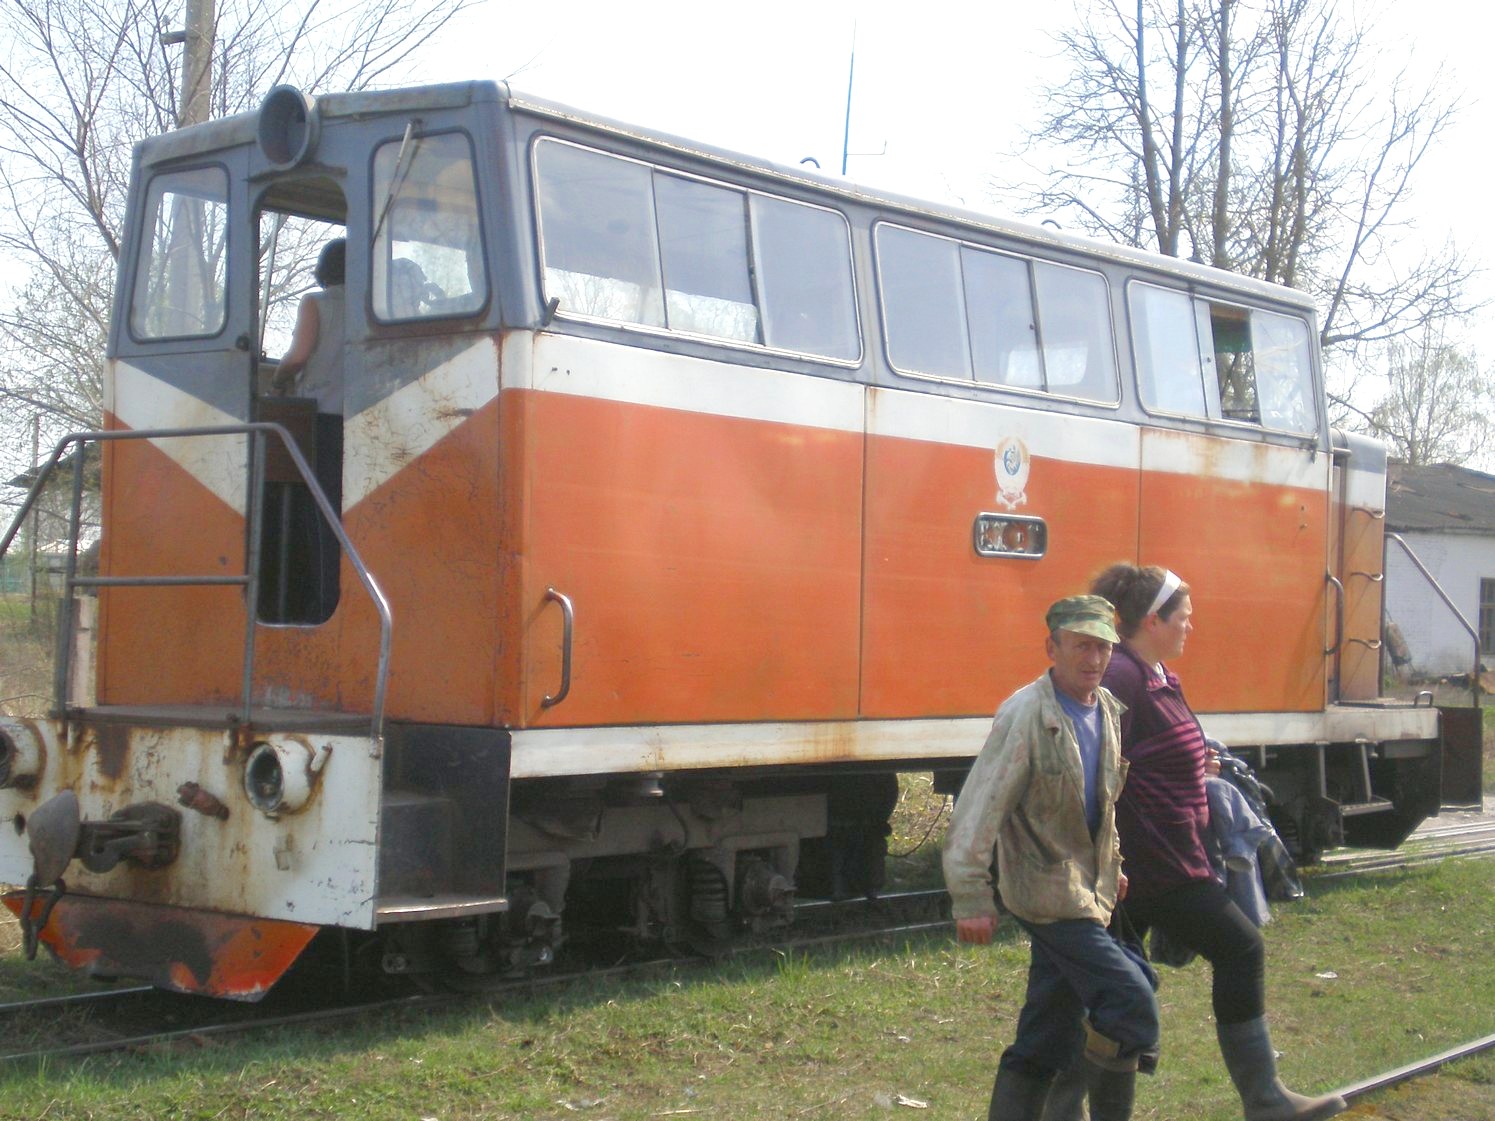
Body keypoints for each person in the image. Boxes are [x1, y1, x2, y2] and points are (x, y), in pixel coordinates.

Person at [1087, 563, 1345, 1121]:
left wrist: (1192, 764)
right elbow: (1093, 764)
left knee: (1111, 992)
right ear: (1152, 620)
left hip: (1172, 855)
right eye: (1183, 617)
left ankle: (1072, 1109)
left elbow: (1154, 751)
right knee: (1238, 948)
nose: (1190, 627)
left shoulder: (1158, 676)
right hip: (1150, 862)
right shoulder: (1124, 678)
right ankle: (1266, 1099)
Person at [943, 595, 1160, 1121]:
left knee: (1048, 1031)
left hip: (1087, 888)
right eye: (1080, 646)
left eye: (1102, 647)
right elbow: (980, 806)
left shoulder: (1106, 709)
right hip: (1045, 891)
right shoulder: (1027, 714)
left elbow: (1100, 805)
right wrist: (971, 895)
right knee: (1132, 998)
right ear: (1053, 647)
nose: (1093, 659)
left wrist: (1115, 866)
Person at [270, 237, 346, 622]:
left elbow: (299, 356)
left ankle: (322, 604)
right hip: (360, 419)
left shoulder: (316, 303)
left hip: (321, 418)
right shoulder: (370, 306)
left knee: (320, 514)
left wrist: (280, 376)